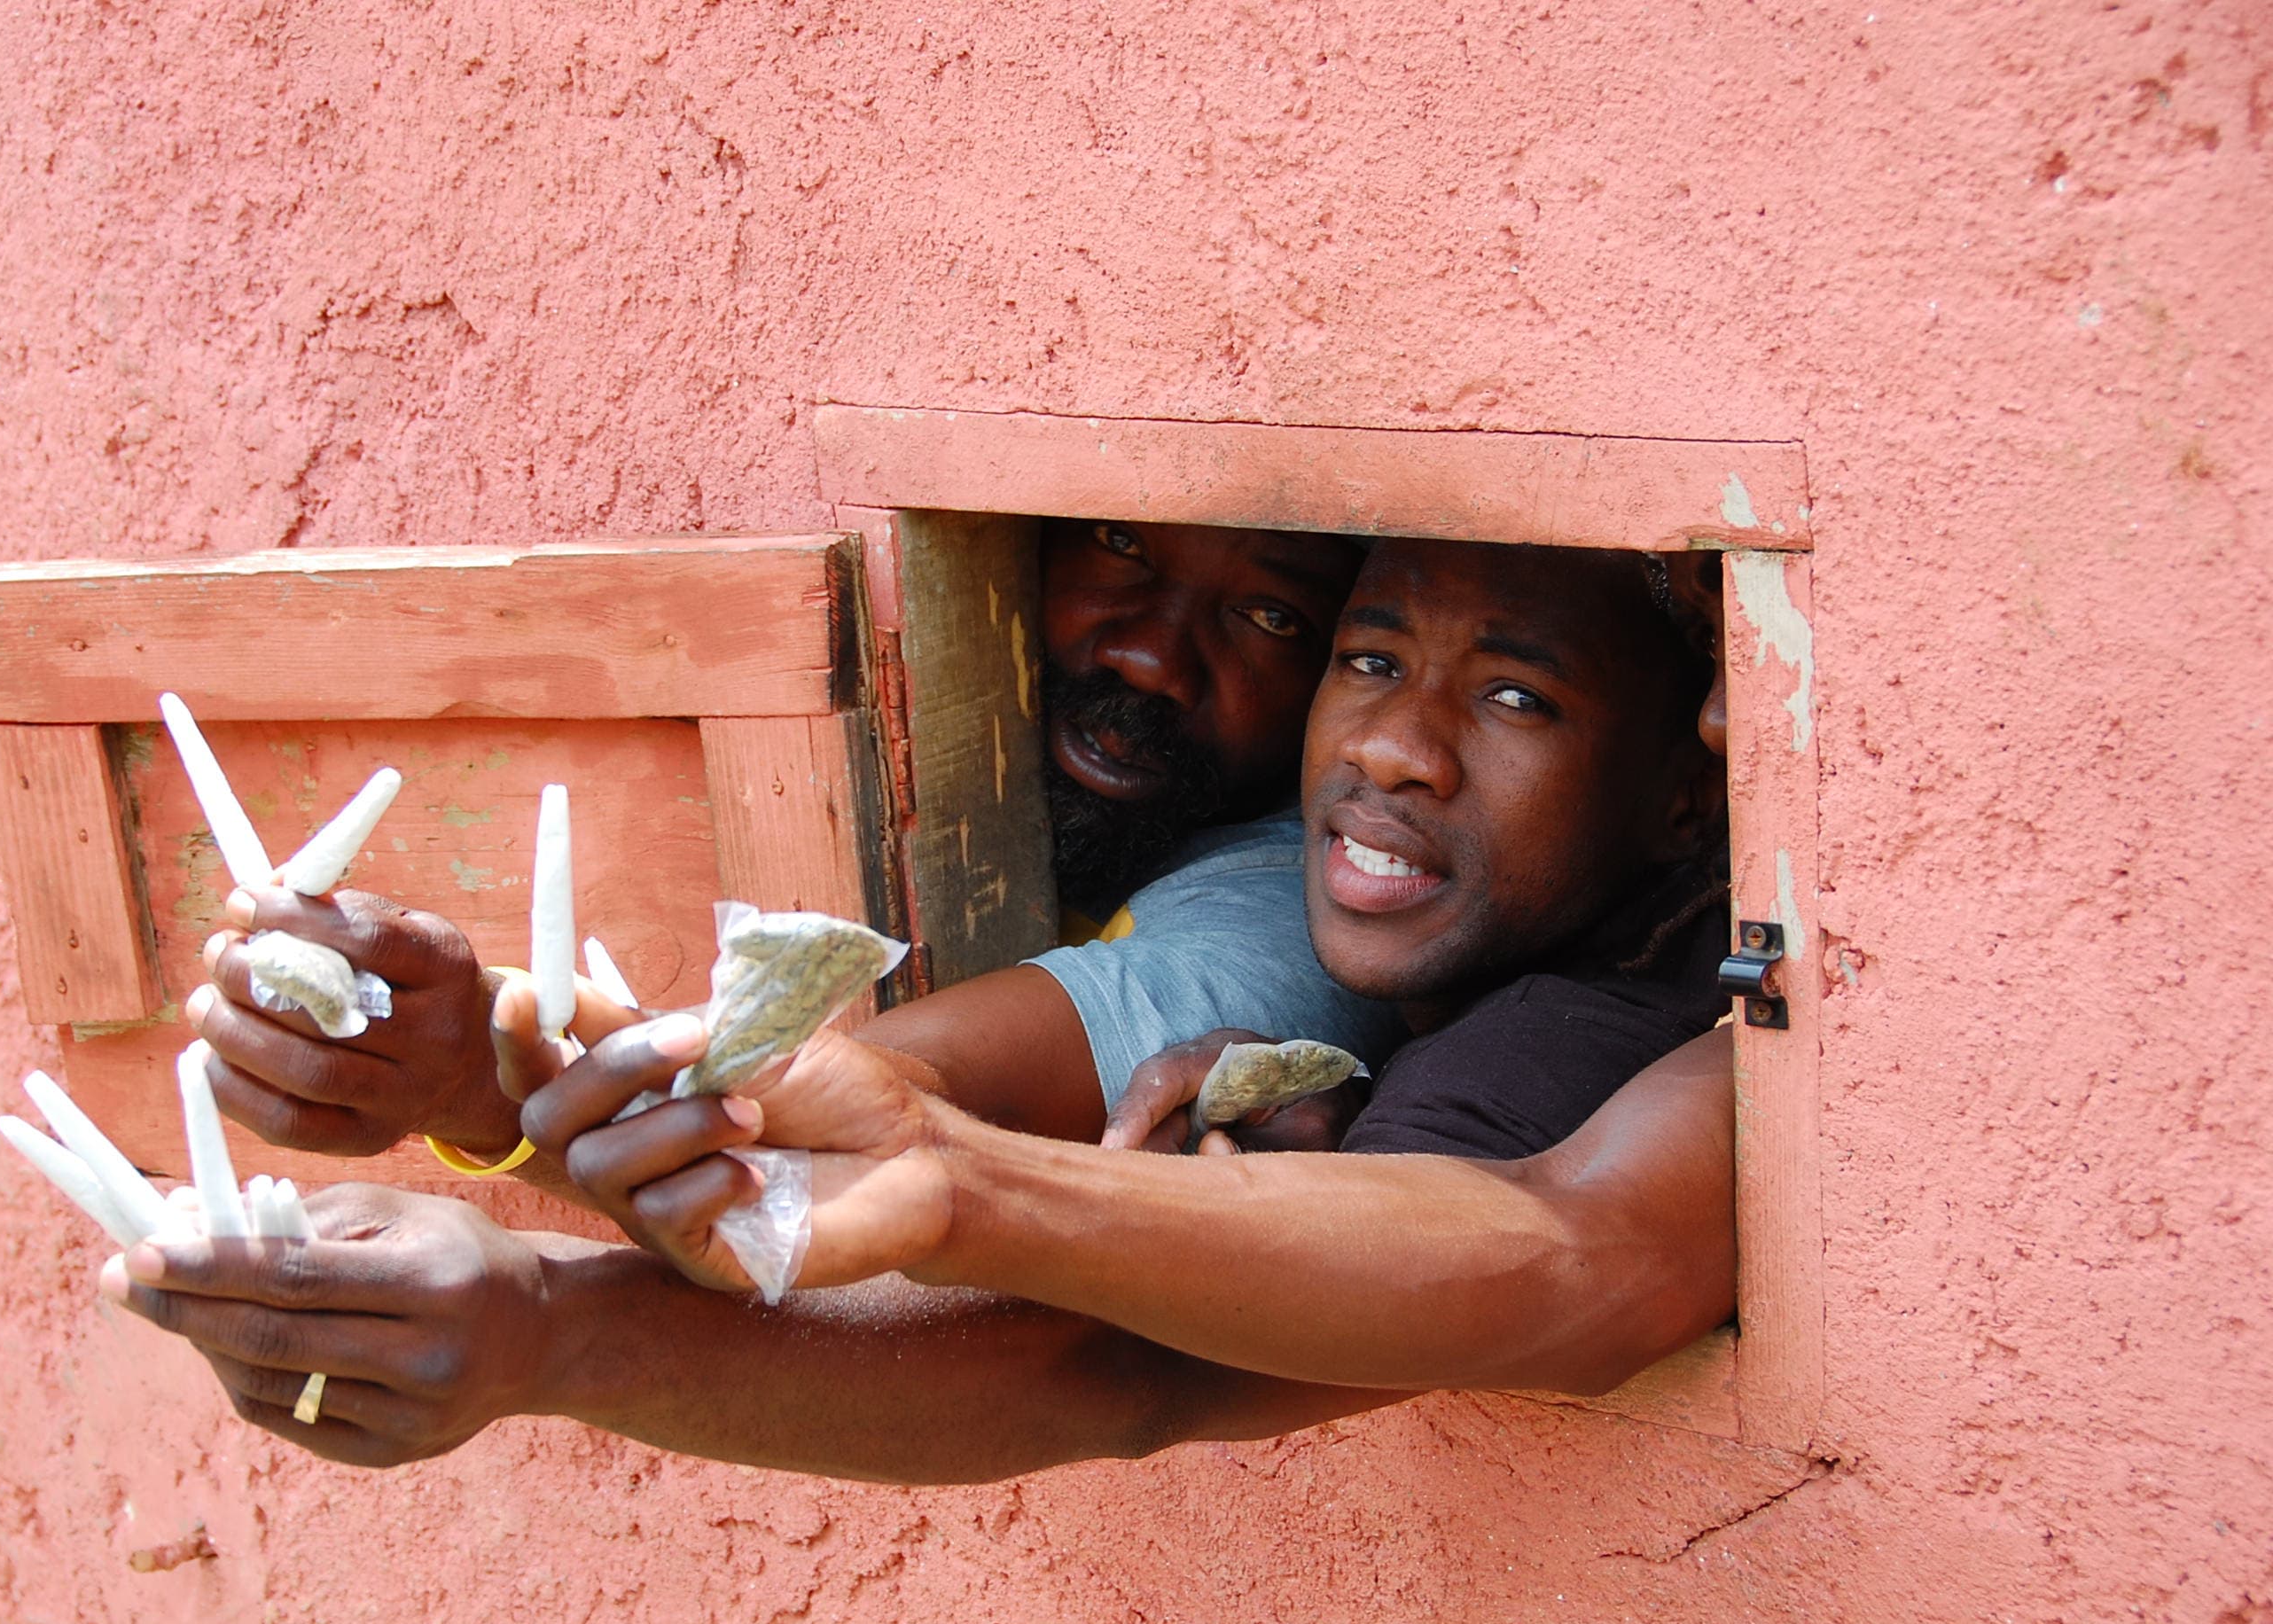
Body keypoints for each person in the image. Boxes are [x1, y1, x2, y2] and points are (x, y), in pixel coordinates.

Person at [105, 539, 1746, 1478]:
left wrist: (956, 1192)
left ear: (1697, 790)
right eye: (1369, 662)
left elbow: (1565, 1262)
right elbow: (856, 1124)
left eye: (1518, 697)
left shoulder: (1612, 1022)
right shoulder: (1335, 893)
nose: (1391, 746)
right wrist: (480, 1089)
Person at [189, 518, 1390, 1156]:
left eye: (1269, 614)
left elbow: (887, 1099)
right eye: (1120, 548)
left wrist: (483, 1080)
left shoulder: (1296, 911)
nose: (1148, 651)